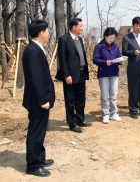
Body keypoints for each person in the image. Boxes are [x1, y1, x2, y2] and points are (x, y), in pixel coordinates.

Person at [23, 20, 55, 177]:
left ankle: (39, 157)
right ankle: (33, 165)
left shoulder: (35, 48)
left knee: (40, 130)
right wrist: (43, 100)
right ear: (41, 32)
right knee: (36, 131)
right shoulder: (33, 51)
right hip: (37, 100)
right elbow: (36, 78)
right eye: (47, 31)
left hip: (38, 99)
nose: (49, 33)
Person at [55, 18, 92, 133]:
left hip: (81, 72)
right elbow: (62, 59)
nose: (82, 28)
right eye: (80, 26)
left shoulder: (79, 39)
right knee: (70, 100)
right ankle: (72, 123)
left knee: (80, 98)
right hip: (71, 74)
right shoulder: (64, 39)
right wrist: (66, 75)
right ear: (74, 27)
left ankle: (81, 119)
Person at [93, 27, 123, 124]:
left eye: (113, 38)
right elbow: (95, 60)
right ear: (105, 36)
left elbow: (119, 57)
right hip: (103, 73)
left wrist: (121, 61)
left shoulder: (115, 47)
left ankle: (114, 113)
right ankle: (105, 114)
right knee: (105, 95)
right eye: (110, 38)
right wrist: (105, 62)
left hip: (114, 73)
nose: (111, 40)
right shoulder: (99, 46)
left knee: (114, 95)